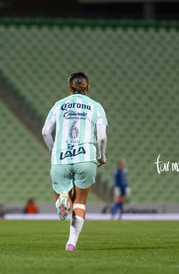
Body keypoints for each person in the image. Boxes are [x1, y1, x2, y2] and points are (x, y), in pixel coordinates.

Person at [42, 72, 108, 251]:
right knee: (80, 203)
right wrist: (102, 156)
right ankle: (71, 244)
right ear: (87, 87)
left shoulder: (59, 105)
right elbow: (101, 136)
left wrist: (53, 151)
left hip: (60, 157)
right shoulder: (96, 107)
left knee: (64, 196)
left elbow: (45, 132)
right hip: (86, 157)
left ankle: (63, 200)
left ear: (69, 88)